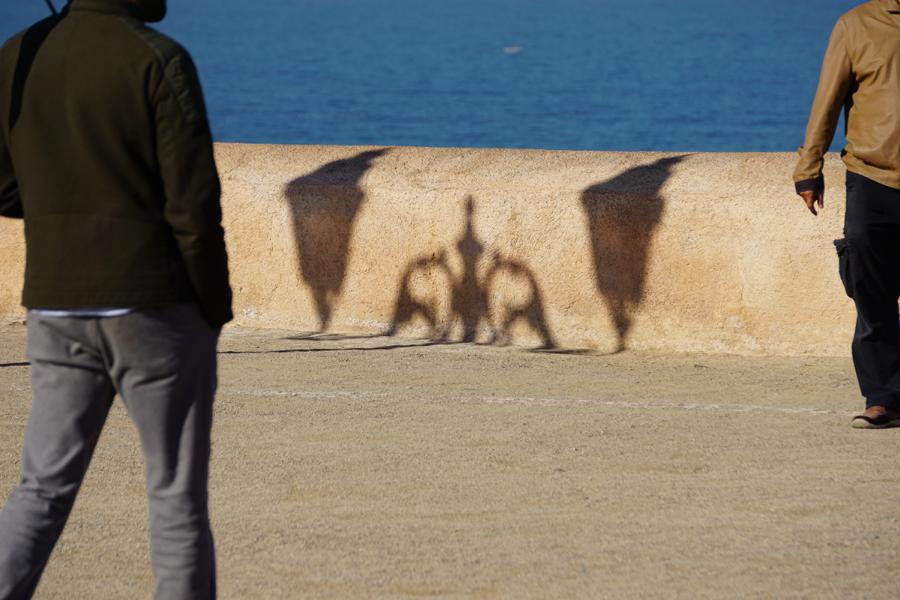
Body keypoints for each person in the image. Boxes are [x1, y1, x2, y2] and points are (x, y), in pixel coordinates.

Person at [0, 0, 232, 597]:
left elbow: (3, 187)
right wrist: (214, 307)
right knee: (174, 492)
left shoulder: (20, 54)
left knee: (40, 489)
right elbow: (193, 204)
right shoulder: (156, 59)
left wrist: (63, 205)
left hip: (55, 300)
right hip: (153, 302)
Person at [794, 0, 900, 429]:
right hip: (871, 177)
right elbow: (828, 99)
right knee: (870, 292)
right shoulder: (856, 25)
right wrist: (809, 168)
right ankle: (883, 397)